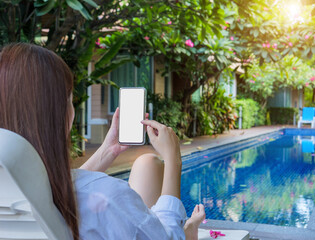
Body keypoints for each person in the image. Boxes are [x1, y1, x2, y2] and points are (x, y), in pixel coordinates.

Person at [0, 43, 205, 240]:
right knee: (151, 165)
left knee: (147, 163)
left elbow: (56, 193)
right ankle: (188, 231)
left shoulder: (16, 194)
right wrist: (173, 160)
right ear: (60, 114)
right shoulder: (106, 197)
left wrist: (108, 151)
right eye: (70, 100)